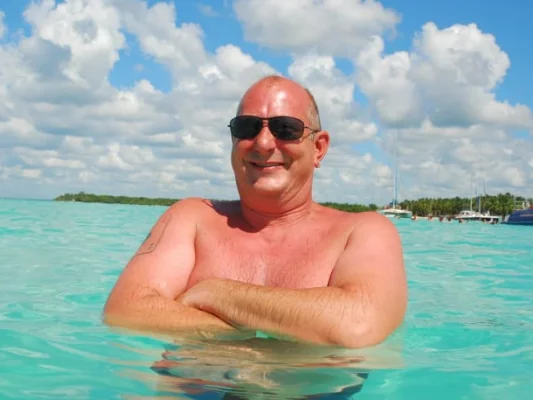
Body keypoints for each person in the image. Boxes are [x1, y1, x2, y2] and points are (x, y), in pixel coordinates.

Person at [103, 75, 407, 397]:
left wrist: (215, 293)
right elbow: (124, 311)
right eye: (247, 128)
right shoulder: (191, 217)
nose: (263, 143)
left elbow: (359, 325)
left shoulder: (362, 231)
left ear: (318, 148)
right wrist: (273, 346)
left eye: (285, 129)